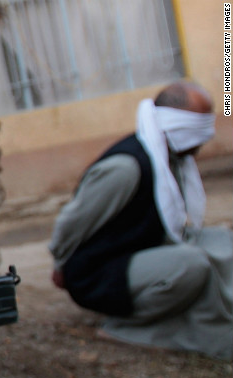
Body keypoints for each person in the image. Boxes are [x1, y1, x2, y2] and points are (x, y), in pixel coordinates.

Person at [49, 80, 232, 361]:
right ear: (174, 125)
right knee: (193, 264)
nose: (204, 140)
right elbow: (72, 223)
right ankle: (127, 329)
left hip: (140, 251)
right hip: (98, 273)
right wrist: (60, 264)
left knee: (222, 240)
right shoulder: (126, 167)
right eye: (196, 130)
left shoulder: (170, 158)